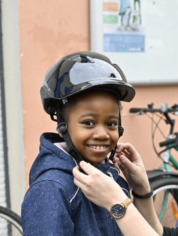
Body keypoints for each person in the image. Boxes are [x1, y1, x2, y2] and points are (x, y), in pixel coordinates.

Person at [21, 51, 137, 235]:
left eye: (111, 123)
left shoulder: (114, 178)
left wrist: (140, 190)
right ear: (63, 125)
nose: (102, 134)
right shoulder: (51, 190)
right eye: (89, 123)